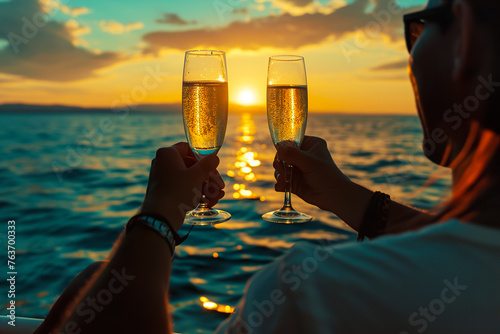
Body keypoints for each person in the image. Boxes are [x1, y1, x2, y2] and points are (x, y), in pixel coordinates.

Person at [36, 0, 500, 332]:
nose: (410, 51)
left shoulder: (312, 296)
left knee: (87, 294)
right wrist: (347, 197)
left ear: (463, 34)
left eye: (416, 27)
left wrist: (156, 218)